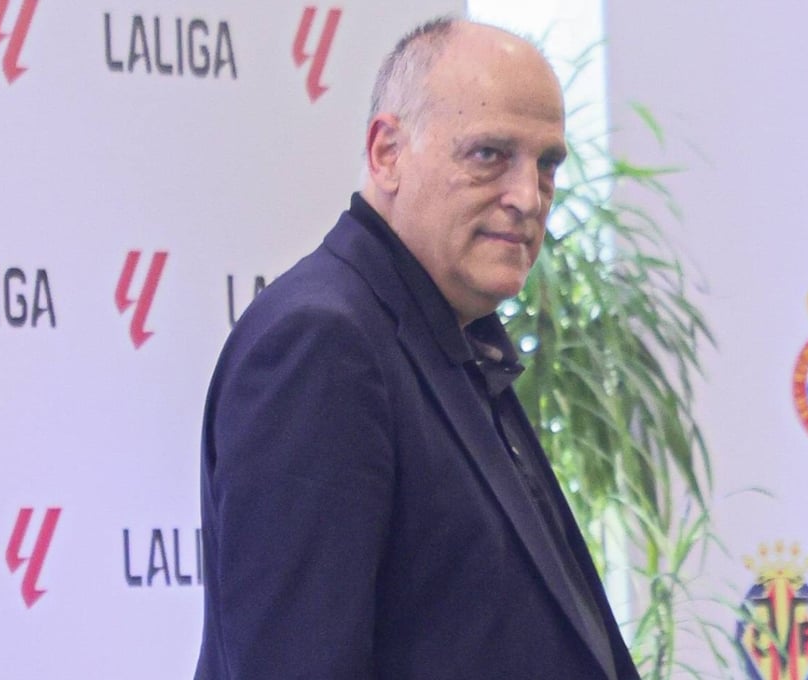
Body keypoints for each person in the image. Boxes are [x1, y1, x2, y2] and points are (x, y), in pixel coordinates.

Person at [195, 16, 639, 680]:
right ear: (387, 153)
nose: (528, 197)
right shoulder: (324, 343)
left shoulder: (450, 338)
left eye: (547, 164)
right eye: (489, 154)